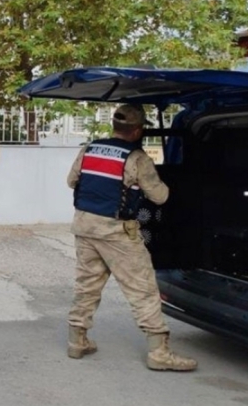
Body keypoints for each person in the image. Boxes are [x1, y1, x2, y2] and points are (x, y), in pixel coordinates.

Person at [66, 104, 197, 372]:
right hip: (116, 232)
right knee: (143, 288)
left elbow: (71, 182)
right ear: (138, 130)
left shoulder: (88, 149)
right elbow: (160, 196)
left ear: (114, 126)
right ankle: (159, 352)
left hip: (84, 226)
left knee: (86, 285)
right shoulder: (137, 158)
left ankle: (77, 341)